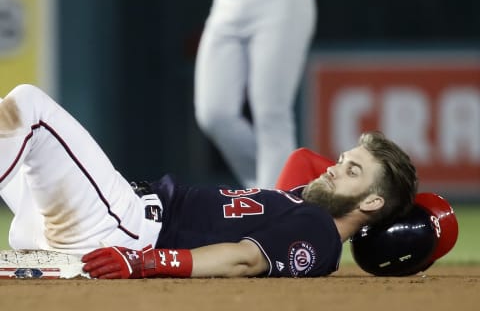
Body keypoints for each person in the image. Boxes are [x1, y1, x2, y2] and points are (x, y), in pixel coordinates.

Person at [0, 84, 418, 279]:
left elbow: (244, 259)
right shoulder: (304, 203)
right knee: (15, 140)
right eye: (344, 159)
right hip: (78, 226)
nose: (334, 167)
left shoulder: (317, 231)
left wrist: (143, 261)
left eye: (352, 170)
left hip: (122, 229)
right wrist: (387, 204)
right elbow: (304, 160)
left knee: (28, 108)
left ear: (372, 203)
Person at [194, 0, 317, 188]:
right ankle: (279, 189)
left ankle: (273, 201)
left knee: (271, 116)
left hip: (280, 2)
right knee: (214, 114)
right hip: (228, 2)